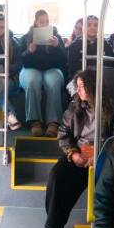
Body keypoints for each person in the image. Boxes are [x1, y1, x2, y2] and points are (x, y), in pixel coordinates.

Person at [42, 69, 114, 228]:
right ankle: (53, 226)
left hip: (104, 158)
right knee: (57, 175)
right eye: (77, 86)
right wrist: (73, 154)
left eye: (81, 86)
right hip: (79, 153)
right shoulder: (74, 107)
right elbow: (63, 133)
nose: (78, 90)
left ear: (92, 86)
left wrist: (100, 156)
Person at [19, 9, 67, 137]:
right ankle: (35, 122)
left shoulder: (56, 37)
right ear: (35, 22)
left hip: (52, 68)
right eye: (41, 22)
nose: (45, 24)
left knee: (53, 81)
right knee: (32, 80)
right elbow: (21, 61)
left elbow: (63, 60)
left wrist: (57, 47)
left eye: (47, 22)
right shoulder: (26, 38)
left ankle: (53, 122)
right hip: (30, 69)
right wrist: (29, 51)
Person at [66, 16, 114, 81]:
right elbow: (73, 69)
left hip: (101, 78)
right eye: (89, 25)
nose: (92, 28)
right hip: (80, 78)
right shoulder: (74, 46)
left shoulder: (105, 44)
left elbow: (111, 65)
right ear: (83, 27)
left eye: (96, 25)